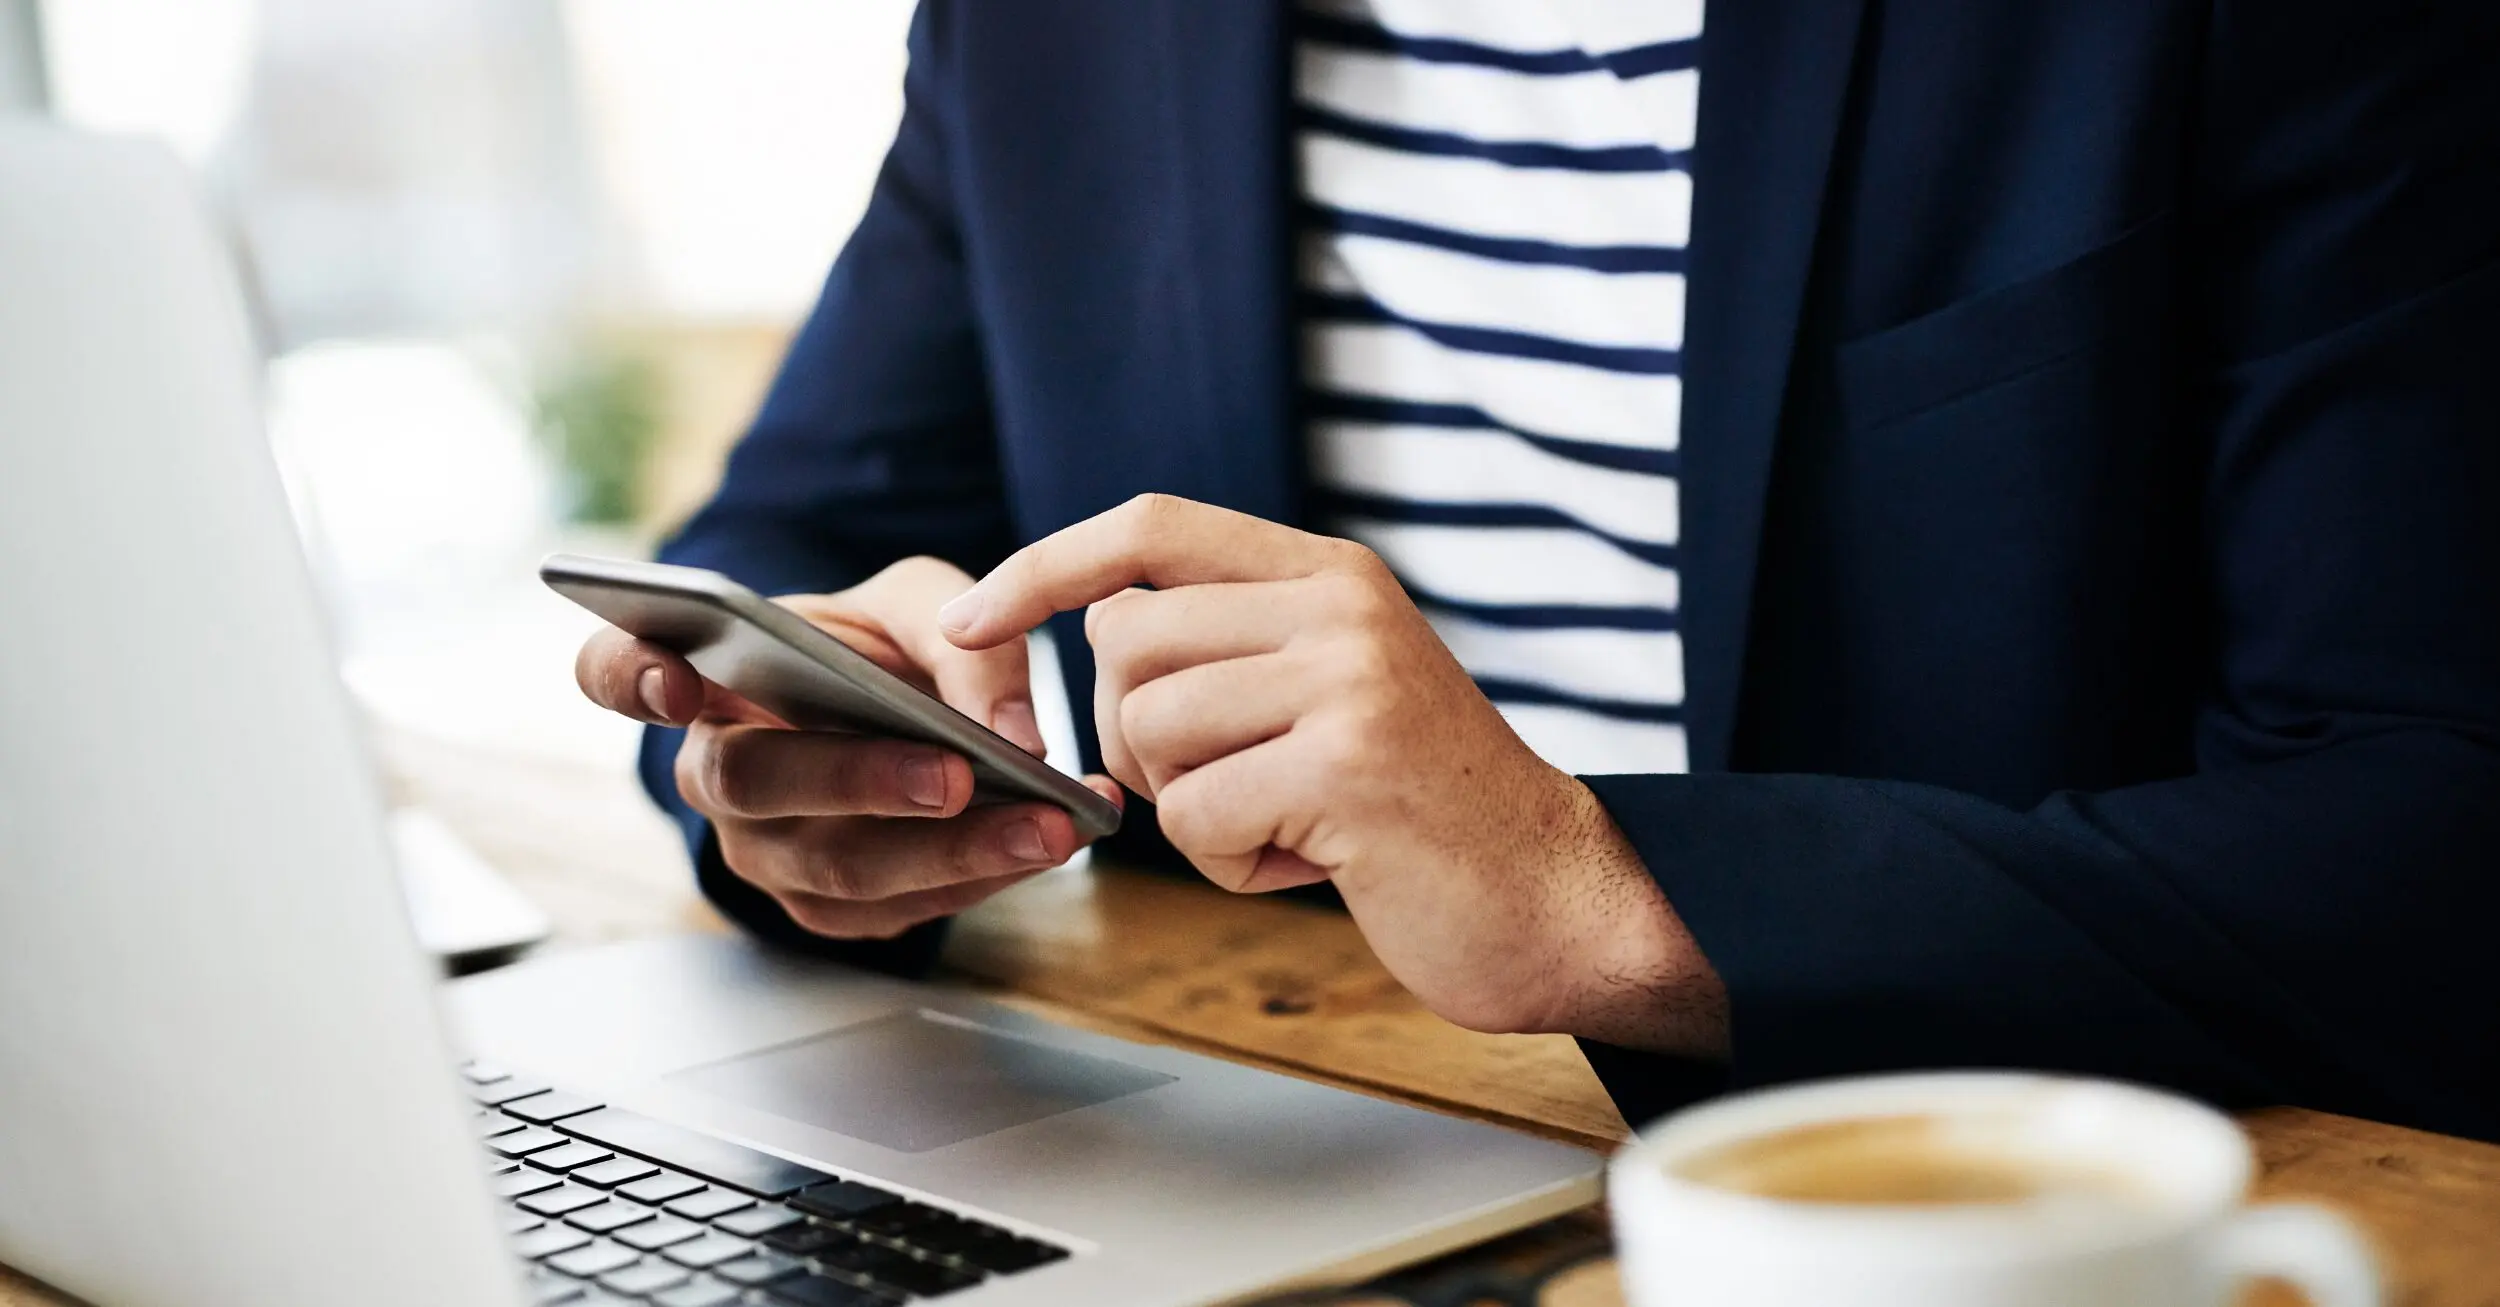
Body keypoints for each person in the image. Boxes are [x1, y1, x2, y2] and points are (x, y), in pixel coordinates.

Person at [575, 0, 2500, 1140]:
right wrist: (787, 756)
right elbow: (792, 550)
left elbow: (2440, 834)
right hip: (1263, 1121)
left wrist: (1601, 894)